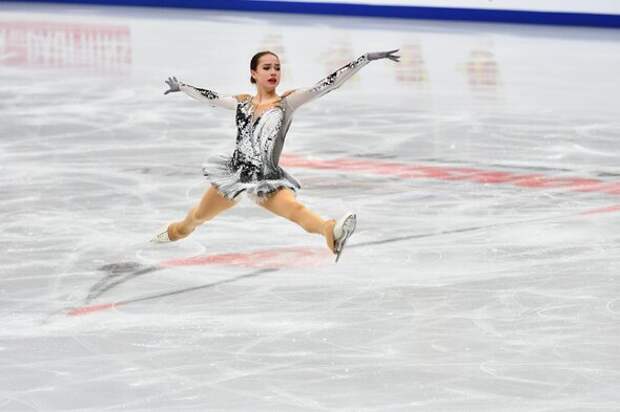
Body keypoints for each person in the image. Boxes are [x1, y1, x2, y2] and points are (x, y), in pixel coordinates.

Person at [152, 49, 400, 262]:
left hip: (266, 179)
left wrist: (365, 59)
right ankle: (176, 232)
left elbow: (328, 84)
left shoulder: (287, 103)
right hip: (235, 175)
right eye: (267, 67)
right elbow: (212, 98)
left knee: (296, 210)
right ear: (254, 73)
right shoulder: (242, 103)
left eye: (277, 68)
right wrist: (182, 87)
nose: (274, 72)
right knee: (196, 217)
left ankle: (331, 231)